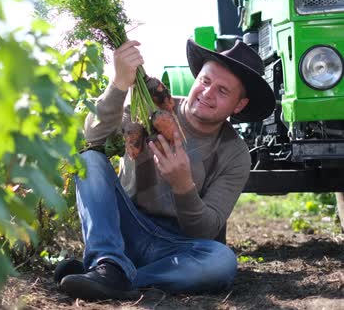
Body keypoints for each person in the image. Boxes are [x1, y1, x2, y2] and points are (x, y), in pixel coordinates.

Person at [55, 39, 276, 300]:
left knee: (222, 261)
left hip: (176, 247)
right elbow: (92, 138)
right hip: (127, 228)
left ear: (239, 105)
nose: (207, 94)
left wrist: (183, 187)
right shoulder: (148, 108)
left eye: (222, 91)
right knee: (88, 159)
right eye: (205, 81)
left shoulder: (235, 153)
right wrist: (119, 83)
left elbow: (206, 231)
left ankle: (117, 276)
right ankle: (108, 262)